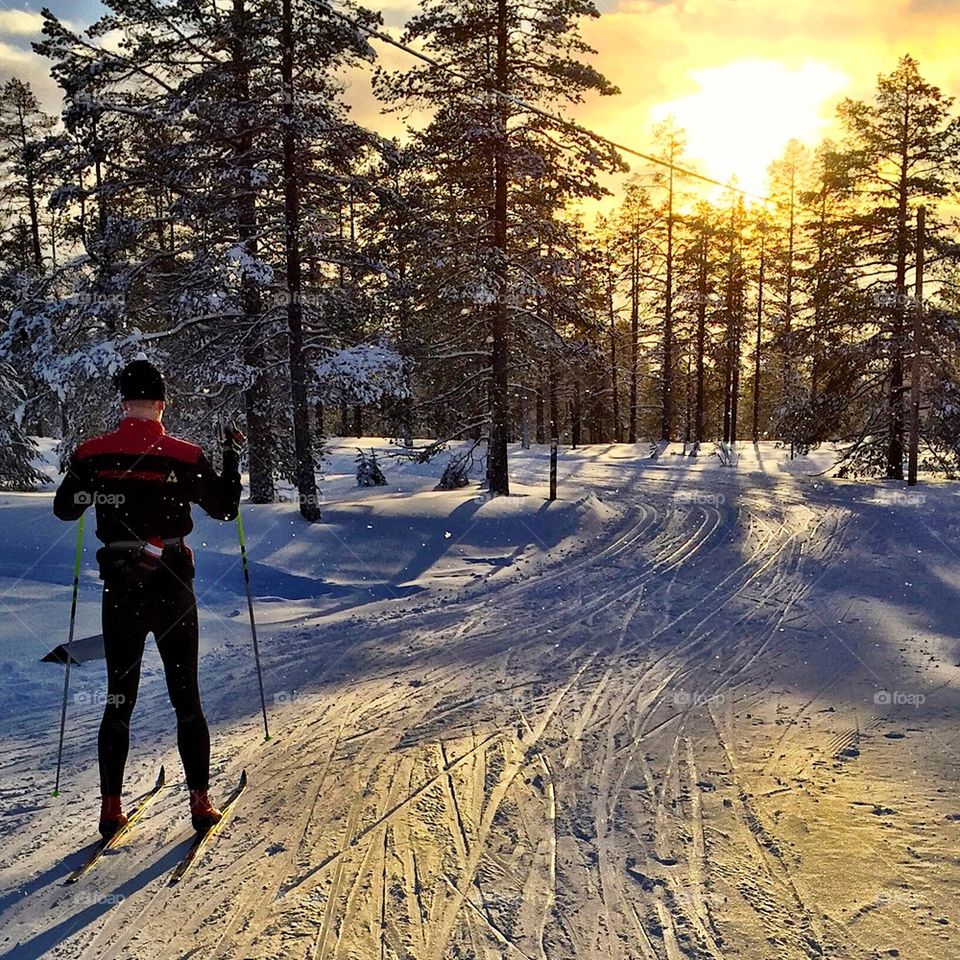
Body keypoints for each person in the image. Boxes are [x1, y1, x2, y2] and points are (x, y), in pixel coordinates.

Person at [53, 353, 245, 838]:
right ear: (161, 404)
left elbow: (64, 511)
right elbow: (223, 509)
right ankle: (200, 802)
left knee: (119, 698)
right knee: (187, 698)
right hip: (173, 582)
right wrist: (231, 457)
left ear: (123, 402)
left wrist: (93, 487)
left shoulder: (91, 453)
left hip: (121, 586)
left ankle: (111, 807)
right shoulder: (183, 455)